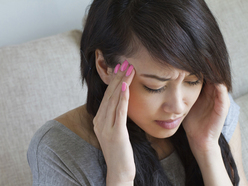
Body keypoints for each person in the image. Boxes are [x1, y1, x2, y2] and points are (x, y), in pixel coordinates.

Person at [27, 0, 248, 185]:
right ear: (104, 66)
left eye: (193, 80)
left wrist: (206, 147)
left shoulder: (212, 111)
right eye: (155, 86)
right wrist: (120, 175)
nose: (179, 107)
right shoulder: (57, 149)